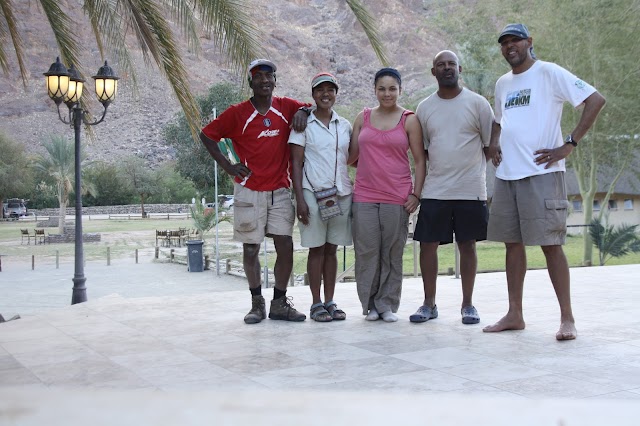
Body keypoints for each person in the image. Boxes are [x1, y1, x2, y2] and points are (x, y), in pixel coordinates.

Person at [484, 24, 606, 340]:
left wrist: (569, 144)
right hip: (507, 174)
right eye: (504, 43)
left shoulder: (549, 73)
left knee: (551, 245)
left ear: (529, 42)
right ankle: (514, 314)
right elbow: (499, 119)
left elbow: (595, 100)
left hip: (542, 173)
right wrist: (495, 142)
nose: (509, 46)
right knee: (512, 245)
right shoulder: (502, 83)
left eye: (515, 41)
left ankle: (567, 319)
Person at [200, 59, 311, 324]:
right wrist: (228, 166)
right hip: (249, 190)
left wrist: (305, 111)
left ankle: (280, 303)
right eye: (258, 76)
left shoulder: (287, 107)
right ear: (250, 82)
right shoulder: (237, 113)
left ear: (275, 80)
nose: (264, 80)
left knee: (285, 245)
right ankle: (256, 303)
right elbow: (207, 135)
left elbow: (315, 106)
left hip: (280, 190)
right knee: (251, 248)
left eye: (268, 76)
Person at [410, 50, 494, 325]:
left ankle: (468, 305)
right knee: (427, 245)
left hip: (470, 189)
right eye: (441, 65)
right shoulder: (424, 108)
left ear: (460, 68)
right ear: (433, 71)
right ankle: (429, 304)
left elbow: (490, 144)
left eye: (451, 64)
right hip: (436, 189)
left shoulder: (479, 104)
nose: (447, 68)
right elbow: (422, 152)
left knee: (468, 245)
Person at [350, 68, 426, 322]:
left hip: (397, 196)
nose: (387, 93)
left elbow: (419, 160)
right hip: (364, 195)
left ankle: (387, 304)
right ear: (374, 90)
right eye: (382, 88)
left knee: (392, 251)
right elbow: (350, 156)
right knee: (367, 251)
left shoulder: (409, 119)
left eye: (392, 88)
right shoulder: (363, 117)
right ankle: (370, 304)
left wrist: (416, 194)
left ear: (400, 90)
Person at [289, 73, 353, 322]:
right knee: (316, 250)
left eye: (330, 90)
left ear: (336, 93)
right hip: (312, 194)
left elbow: (352, 157)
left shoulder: (345, 125)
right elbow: (295, 164)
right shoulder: (303, 124)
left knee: (332, 249)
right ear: (313, 94)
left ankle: (330, 300)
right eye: (320, 90)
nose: (325, 94)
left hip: (340, 194)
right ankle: (316, 303)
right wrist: (300, 200)